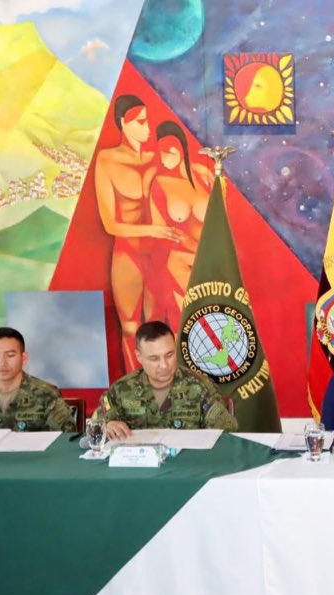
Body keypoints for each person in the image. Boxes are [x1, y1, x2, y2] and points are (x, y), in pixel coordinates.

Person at [94, 94, 182, 370]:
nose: (147, 128)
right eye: (140, 122)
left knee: (158, 329)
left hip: (159, 255)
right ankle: (135, 389)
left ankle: (164, 387)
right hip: (128, 253)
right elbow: (110, 224)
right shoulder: (107, 160)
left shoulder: (158, 159)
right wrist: (154, 229)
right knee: (131, 328)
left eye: (147, 121)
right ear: (124, 122)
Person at [94, 321, 237, 439]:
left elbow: (227, 430)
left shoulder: (200, 386)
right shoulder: (122, 389)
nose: (164, 365)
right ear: (139, 356)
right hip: (139, 463)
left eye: (169, 355)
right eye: (154, 358)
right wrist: (107, 425)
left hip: (187, 462)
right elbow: (96, 425)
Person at [147, 120, 214, 330]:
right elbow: (161, 234)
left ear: (177, 149)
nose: (162, 160)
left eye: (165, 154)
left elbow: (225, 221)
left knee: (217, 325)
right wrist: (187, 243)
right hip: (182, 264)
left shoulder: (204, 175)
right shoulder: (160, 183)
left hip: (213, 261)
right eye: (160, 155)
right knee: (192, 326)